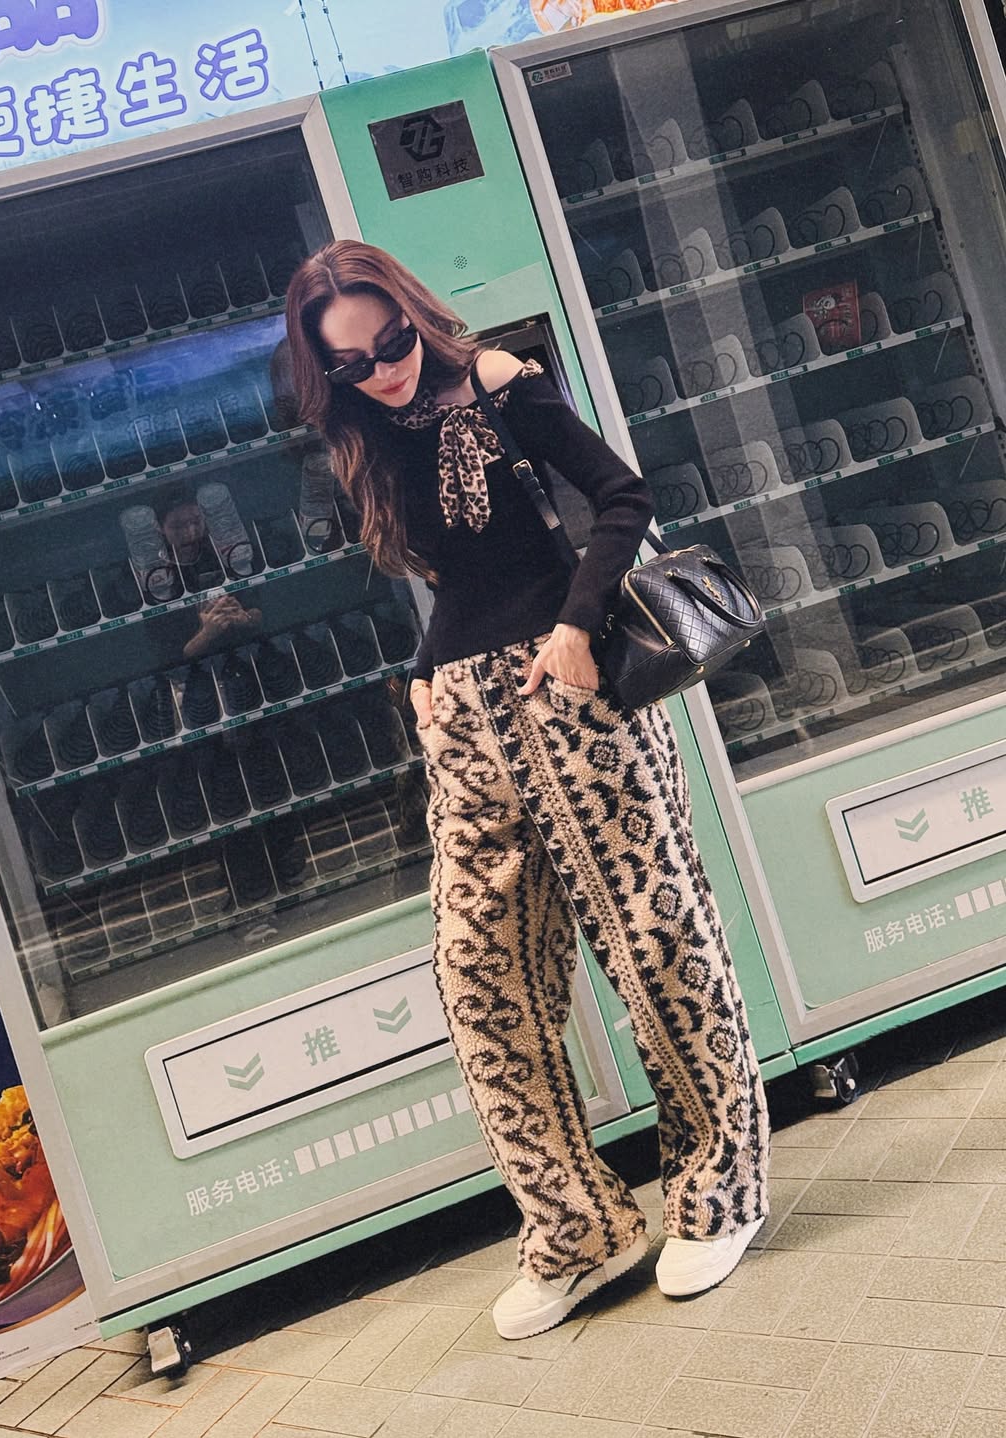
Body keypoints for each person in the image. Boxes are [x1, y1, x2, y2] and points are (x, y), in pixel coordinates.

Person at [284, 241, 769, 1341]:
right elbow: (456, 582)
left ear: (413, 314)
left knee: (654, 942)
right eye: (353, 362)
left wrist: (578, 625)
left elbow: (622, 496)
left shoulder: (500, 382)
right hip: (463, 716)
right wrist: (424, 677)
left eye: (393, 342)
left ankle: (719, 1187)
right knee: (481, 977)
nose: (384, 369)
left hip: (572, 690)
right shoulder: (360, 434)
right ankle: (578, 1227)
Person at [151, 484, 261, 662]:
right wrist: (206, 634)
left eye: (196, 521)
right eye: (177, 526)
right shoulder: (153, 577)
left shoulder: (229, 551)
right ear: (159, 527)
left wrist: (244, 618)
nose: (191, 532)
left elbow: (259, 609)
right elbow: (170, 656)